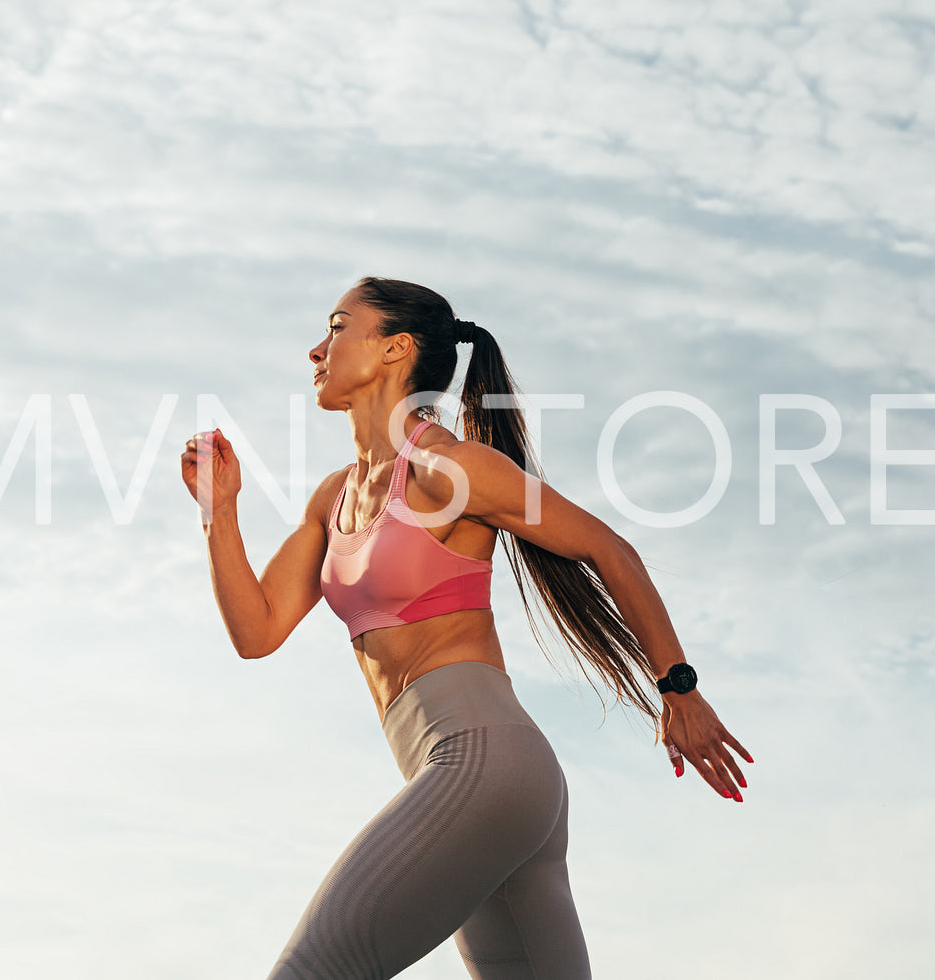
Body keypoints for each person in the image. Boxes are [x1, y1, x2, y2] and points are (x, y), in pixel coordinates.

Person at [180, 276, 753, 980]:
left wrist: (679, 689)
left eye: (335, 327)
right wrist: (219, 511)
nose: (314, 349)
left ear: (395, 348)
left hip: (483, 762)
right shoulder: (332, 498)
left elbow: (610, 550)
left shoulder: (448, 470)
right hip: (475, 782)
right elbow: (257, 630)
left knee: (310, 971)